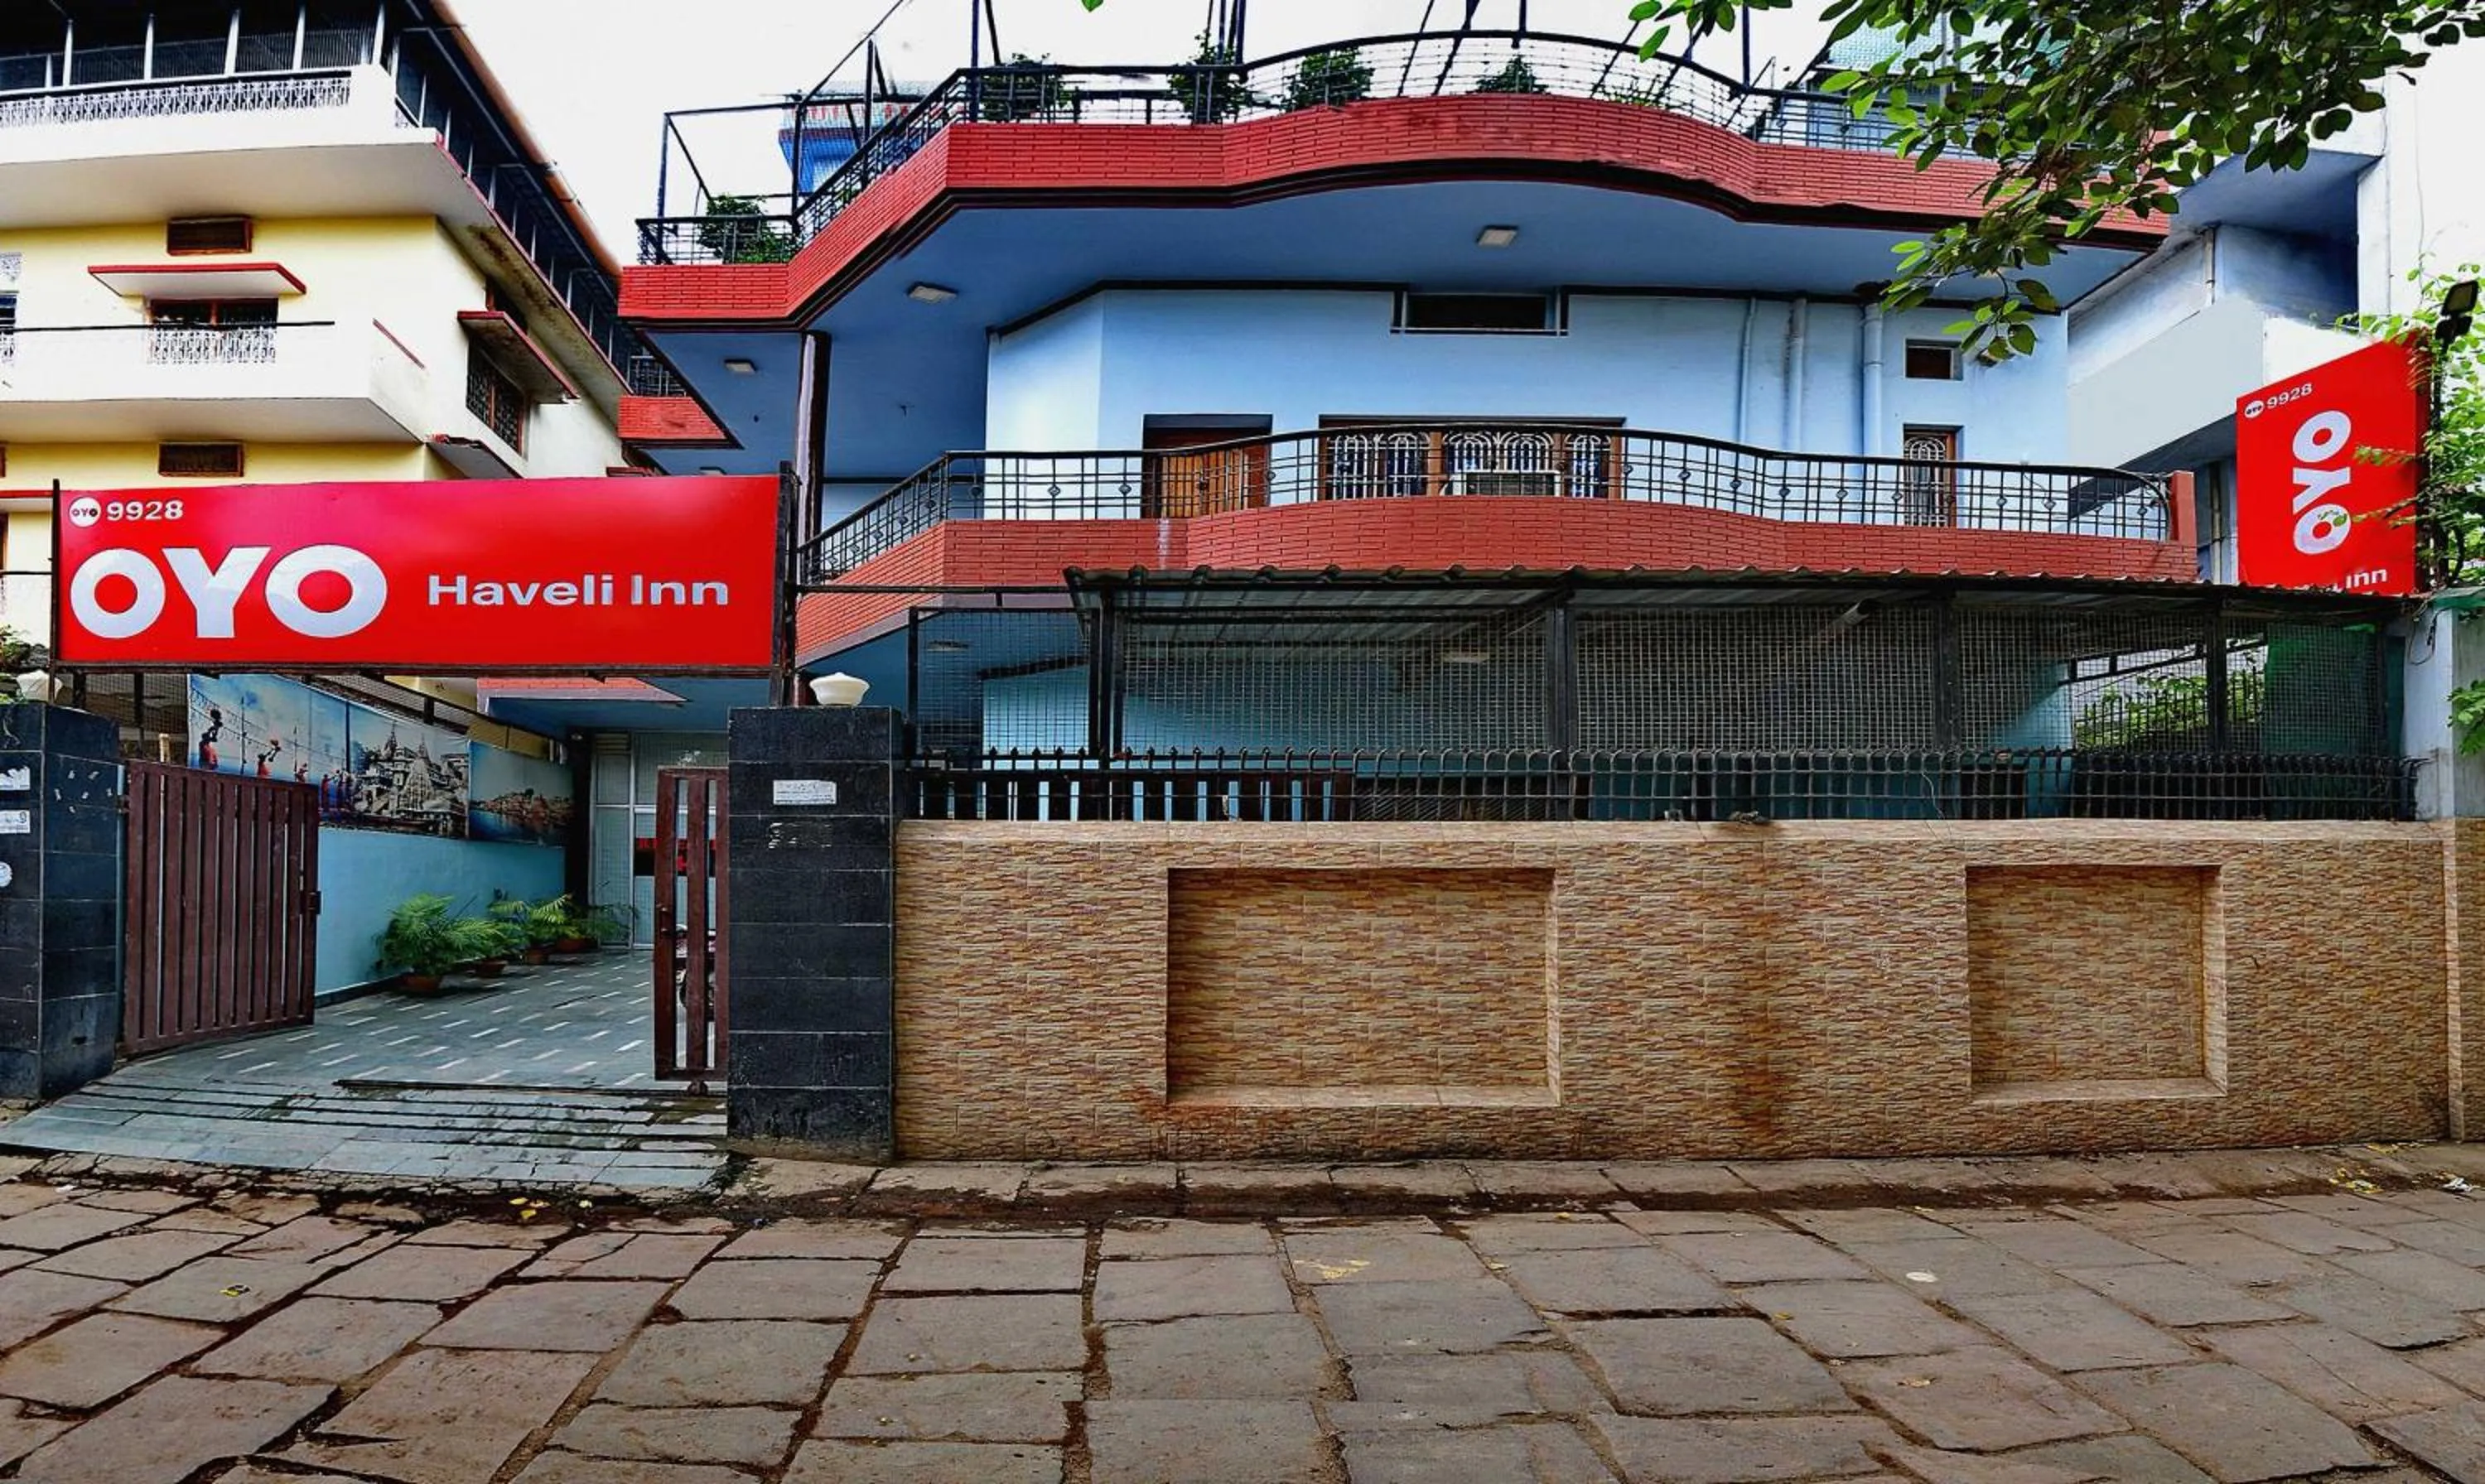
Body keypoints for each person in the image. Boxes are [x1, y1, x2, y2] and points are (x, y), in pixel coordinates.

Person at [196, 706, 225, 770]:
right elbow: (210, 738)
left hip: (208, 763)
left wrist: (214, 729)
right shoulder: (202, 744)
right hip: (205, 763)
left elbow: (213, 738)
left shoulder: (210, 748)